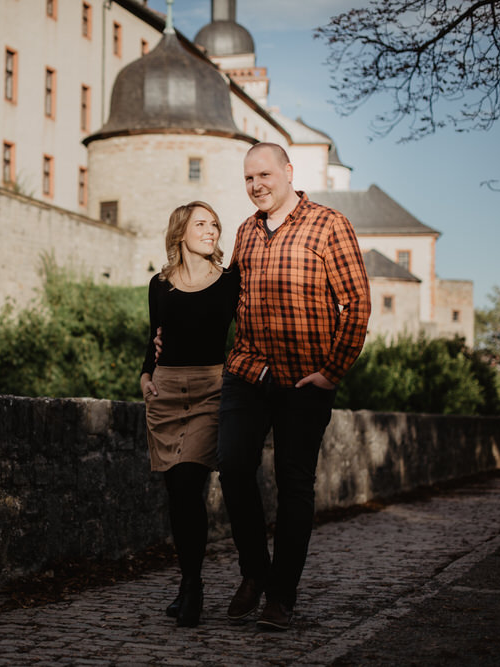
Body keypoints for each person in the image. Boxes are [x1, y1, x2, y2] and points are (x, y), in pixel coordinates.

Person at [217, 142, 371, 631]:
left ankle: (281, 596)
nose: (256, 185)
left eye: (264, 174)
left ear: (287, 171)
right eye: (248, 178)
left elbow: (357, 305)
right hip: (248, 370)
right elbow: (227, 302)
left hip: (306, 379)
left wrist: (331, 372)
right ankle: (255, 572)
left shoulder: (329, 224)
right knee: (233, 464)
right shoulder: (245, 232)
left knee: (294, 485)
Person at [140, 201, 239, 628]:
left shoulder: (232, 282)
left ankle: (193, 587)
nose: (211, 230)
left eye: (215, 224)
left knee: (187, 482)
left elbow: (252, 330)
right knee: (175, 494)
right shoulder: (159, 285)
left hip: (210, 389)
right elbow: (154, 336)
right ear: (181, 231)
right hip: (165, 393)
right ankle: (189, 582)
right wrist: (145, 374)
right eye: (201, 223)